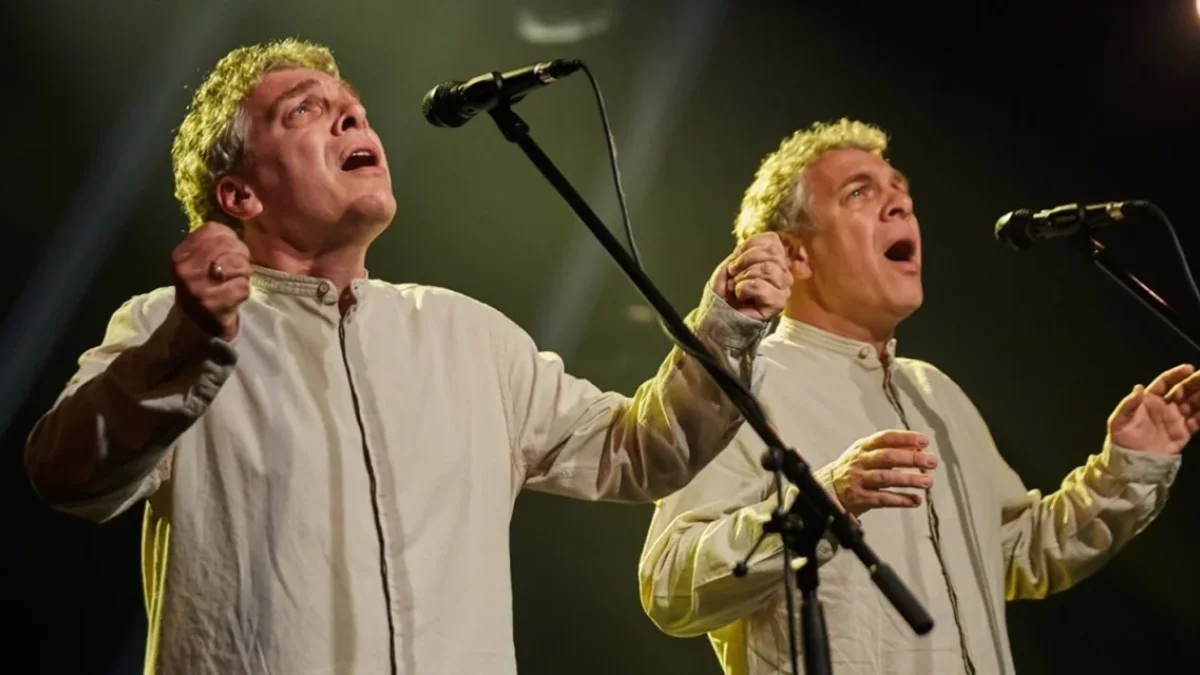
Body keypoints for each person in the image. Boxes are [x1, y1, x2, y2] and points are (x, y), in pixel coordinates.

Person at [22, 39, 795, 675]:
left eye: (354, 109)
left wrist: (728, 324)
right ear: (241, 196)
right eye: (306, 110)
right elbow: (64, 472)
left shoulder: (466, 334)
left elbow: (640, 451)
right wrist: (184, 347)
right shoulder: (166, 326)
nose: (351, 116)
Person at [638, 118, 1198, 675]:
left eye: (901, 191)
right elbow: (670, 586)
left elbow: (1017, 553)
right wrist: (823, 501)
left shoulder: (934, 392)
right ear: (794, 254)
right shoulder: (742, 385)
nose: (901, 206)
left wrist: (1130, 467)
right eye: (859, 193)